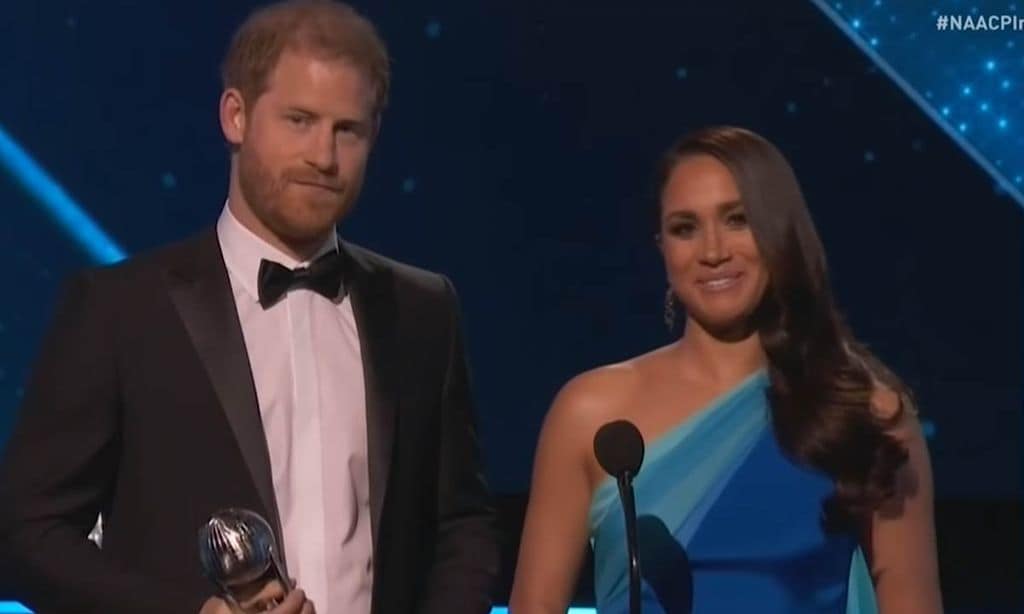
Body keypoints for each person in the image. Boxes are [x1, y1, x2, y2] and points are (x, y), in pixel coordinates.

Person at [0, 2, 498, 613]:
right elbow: (29, 535)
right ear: (235, 115)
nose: (324, 155)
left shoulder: (423, 310)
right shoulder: (119, 310)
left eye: (348, 130)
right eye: (299, 120)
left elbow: (464, 525)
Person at [509, 126, 941, 613]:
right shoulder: (589, 413)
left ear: (781, 232)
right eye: (685, 228)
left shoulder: (865, 414)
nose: (713, 251)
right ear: (662, 249)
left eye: (738, 219)